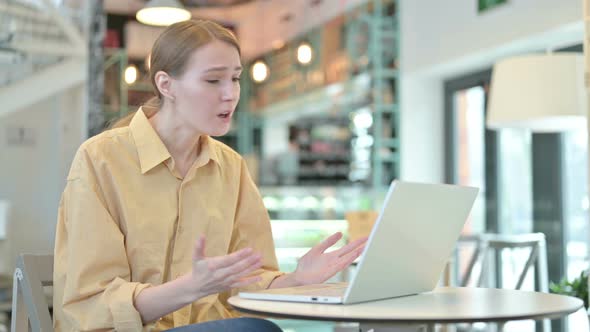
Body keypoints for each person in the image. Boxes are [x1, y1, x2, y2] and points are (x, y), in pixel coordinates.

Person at [53, 19, 367, 332]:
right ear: (166, 85)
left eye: (235, 78)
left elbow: (245, 286)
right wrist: (191, 287)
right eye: (213, 80)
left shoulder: (231, 167)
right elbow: (91, 303)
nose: (230, 94)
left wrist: (297, 280)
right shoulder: (100, 159)